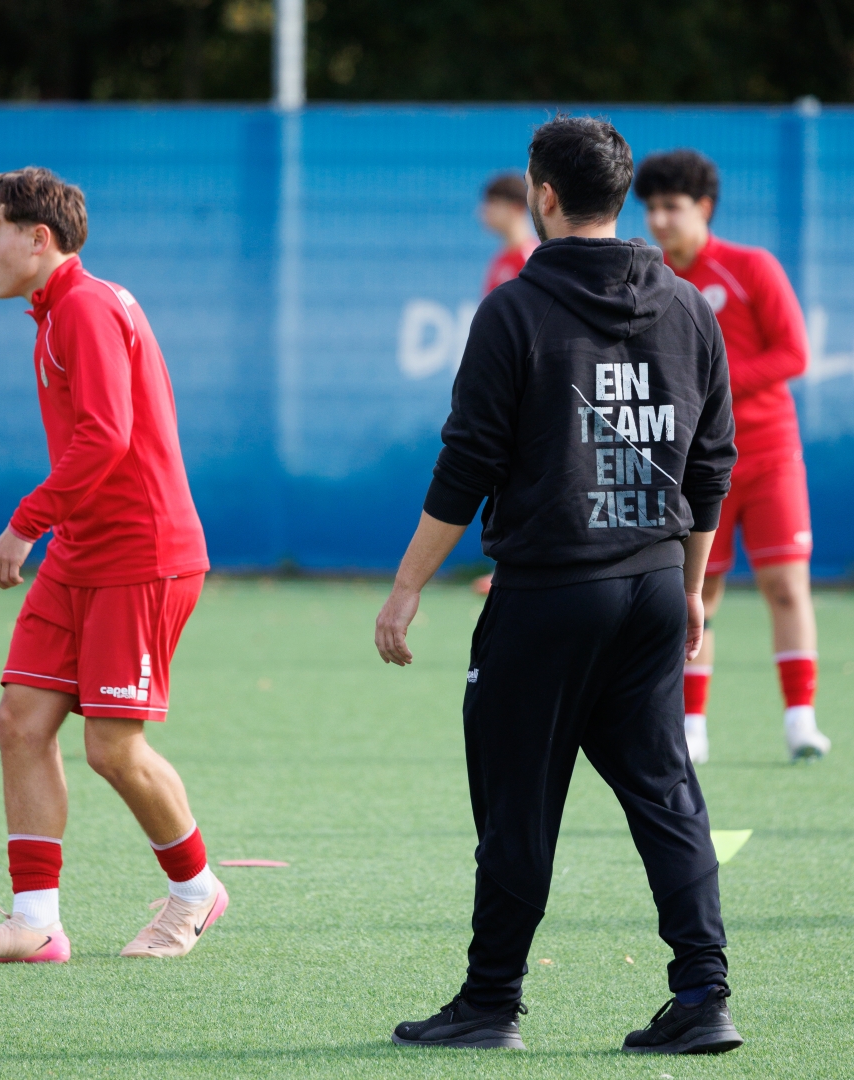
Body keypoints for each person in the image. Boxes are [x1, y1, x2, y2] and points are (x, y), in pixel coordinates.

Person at [375, 115, 742, 1055]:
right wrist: (690, 585)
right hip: (653, 584)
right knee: (666, 793)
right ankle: (703, 996)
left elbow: (467, 462)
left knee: (517, 805)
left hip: (546, 596)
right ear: (620, 197)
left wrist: (407, 587)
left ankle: (490, 1004)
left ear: (542, 194)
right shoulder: (689, 306)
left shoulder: (513, 309)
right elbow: (710, 466)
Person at [0, 168, 226, 965]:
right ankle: (35, 922)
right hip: (84, 552)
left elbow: (106, 435)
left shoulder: (86, 307)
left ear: (38, 238)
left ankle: (196, 892)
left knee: (112, 748)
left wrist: (23, 526)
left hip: (141, 555)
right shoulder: (61, 309)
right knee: (20, 722)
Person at [634, 149, 829, 765]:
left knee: (786, 586)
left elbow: (793, 353)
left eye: (672, 206)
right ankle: (691, 727)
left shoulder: (751, 267)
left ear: (704, 207)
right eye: (651, 207)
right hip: (691, 466)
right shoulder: (648, 278)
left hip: (769, 455)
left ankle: (800, 722)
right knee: (698, 592)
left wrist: (710, 383)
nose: (659, 219)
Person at [473, 173, 539, 596]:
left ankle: (523, 565)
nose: (482, 212)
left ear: (515, 208)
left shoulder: (532, 258)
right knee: (505, 478)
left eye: (490, 203)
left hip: (528, 395)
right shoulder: (501, 260)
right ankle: (506, 565)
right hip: (503, 393)